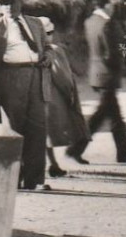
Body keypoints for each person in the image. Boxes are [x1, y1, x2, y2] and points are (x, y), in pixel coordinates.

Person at [0, 0, 50, 190]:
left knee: (38, 129)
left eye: (12, 3)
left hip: (36, 75)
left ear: (20, 3)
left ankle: (35, 180)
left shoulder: (35, 23)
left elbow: (47, 47)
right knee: (13, 129)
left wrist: (48, 57)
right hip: (10, 77)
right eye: (3, 4)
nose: (8, 8)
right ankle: (13, 178)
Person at [72, 0, 126, 165]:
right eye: (111, 5)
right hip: (107, 74)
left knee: (114, 116)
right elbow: (111, 52)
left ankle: (124, 153)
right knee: (100, 117)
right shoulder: (108, 24)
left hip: (96, 73)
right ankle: (76, 148)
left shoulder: (90, 21)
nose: (113, 8)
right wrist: (121, 65)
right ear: (105, 6)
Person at [38, 17, 90, 178]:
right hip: (54, 97)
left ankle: (51, 164)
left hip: (38, 95)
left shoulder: (34, 49)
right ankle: (54, 164)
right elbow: (64, 77)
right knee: (58, 131)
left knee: (42, 134)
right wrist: (70, 96)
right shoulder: (54, 50)